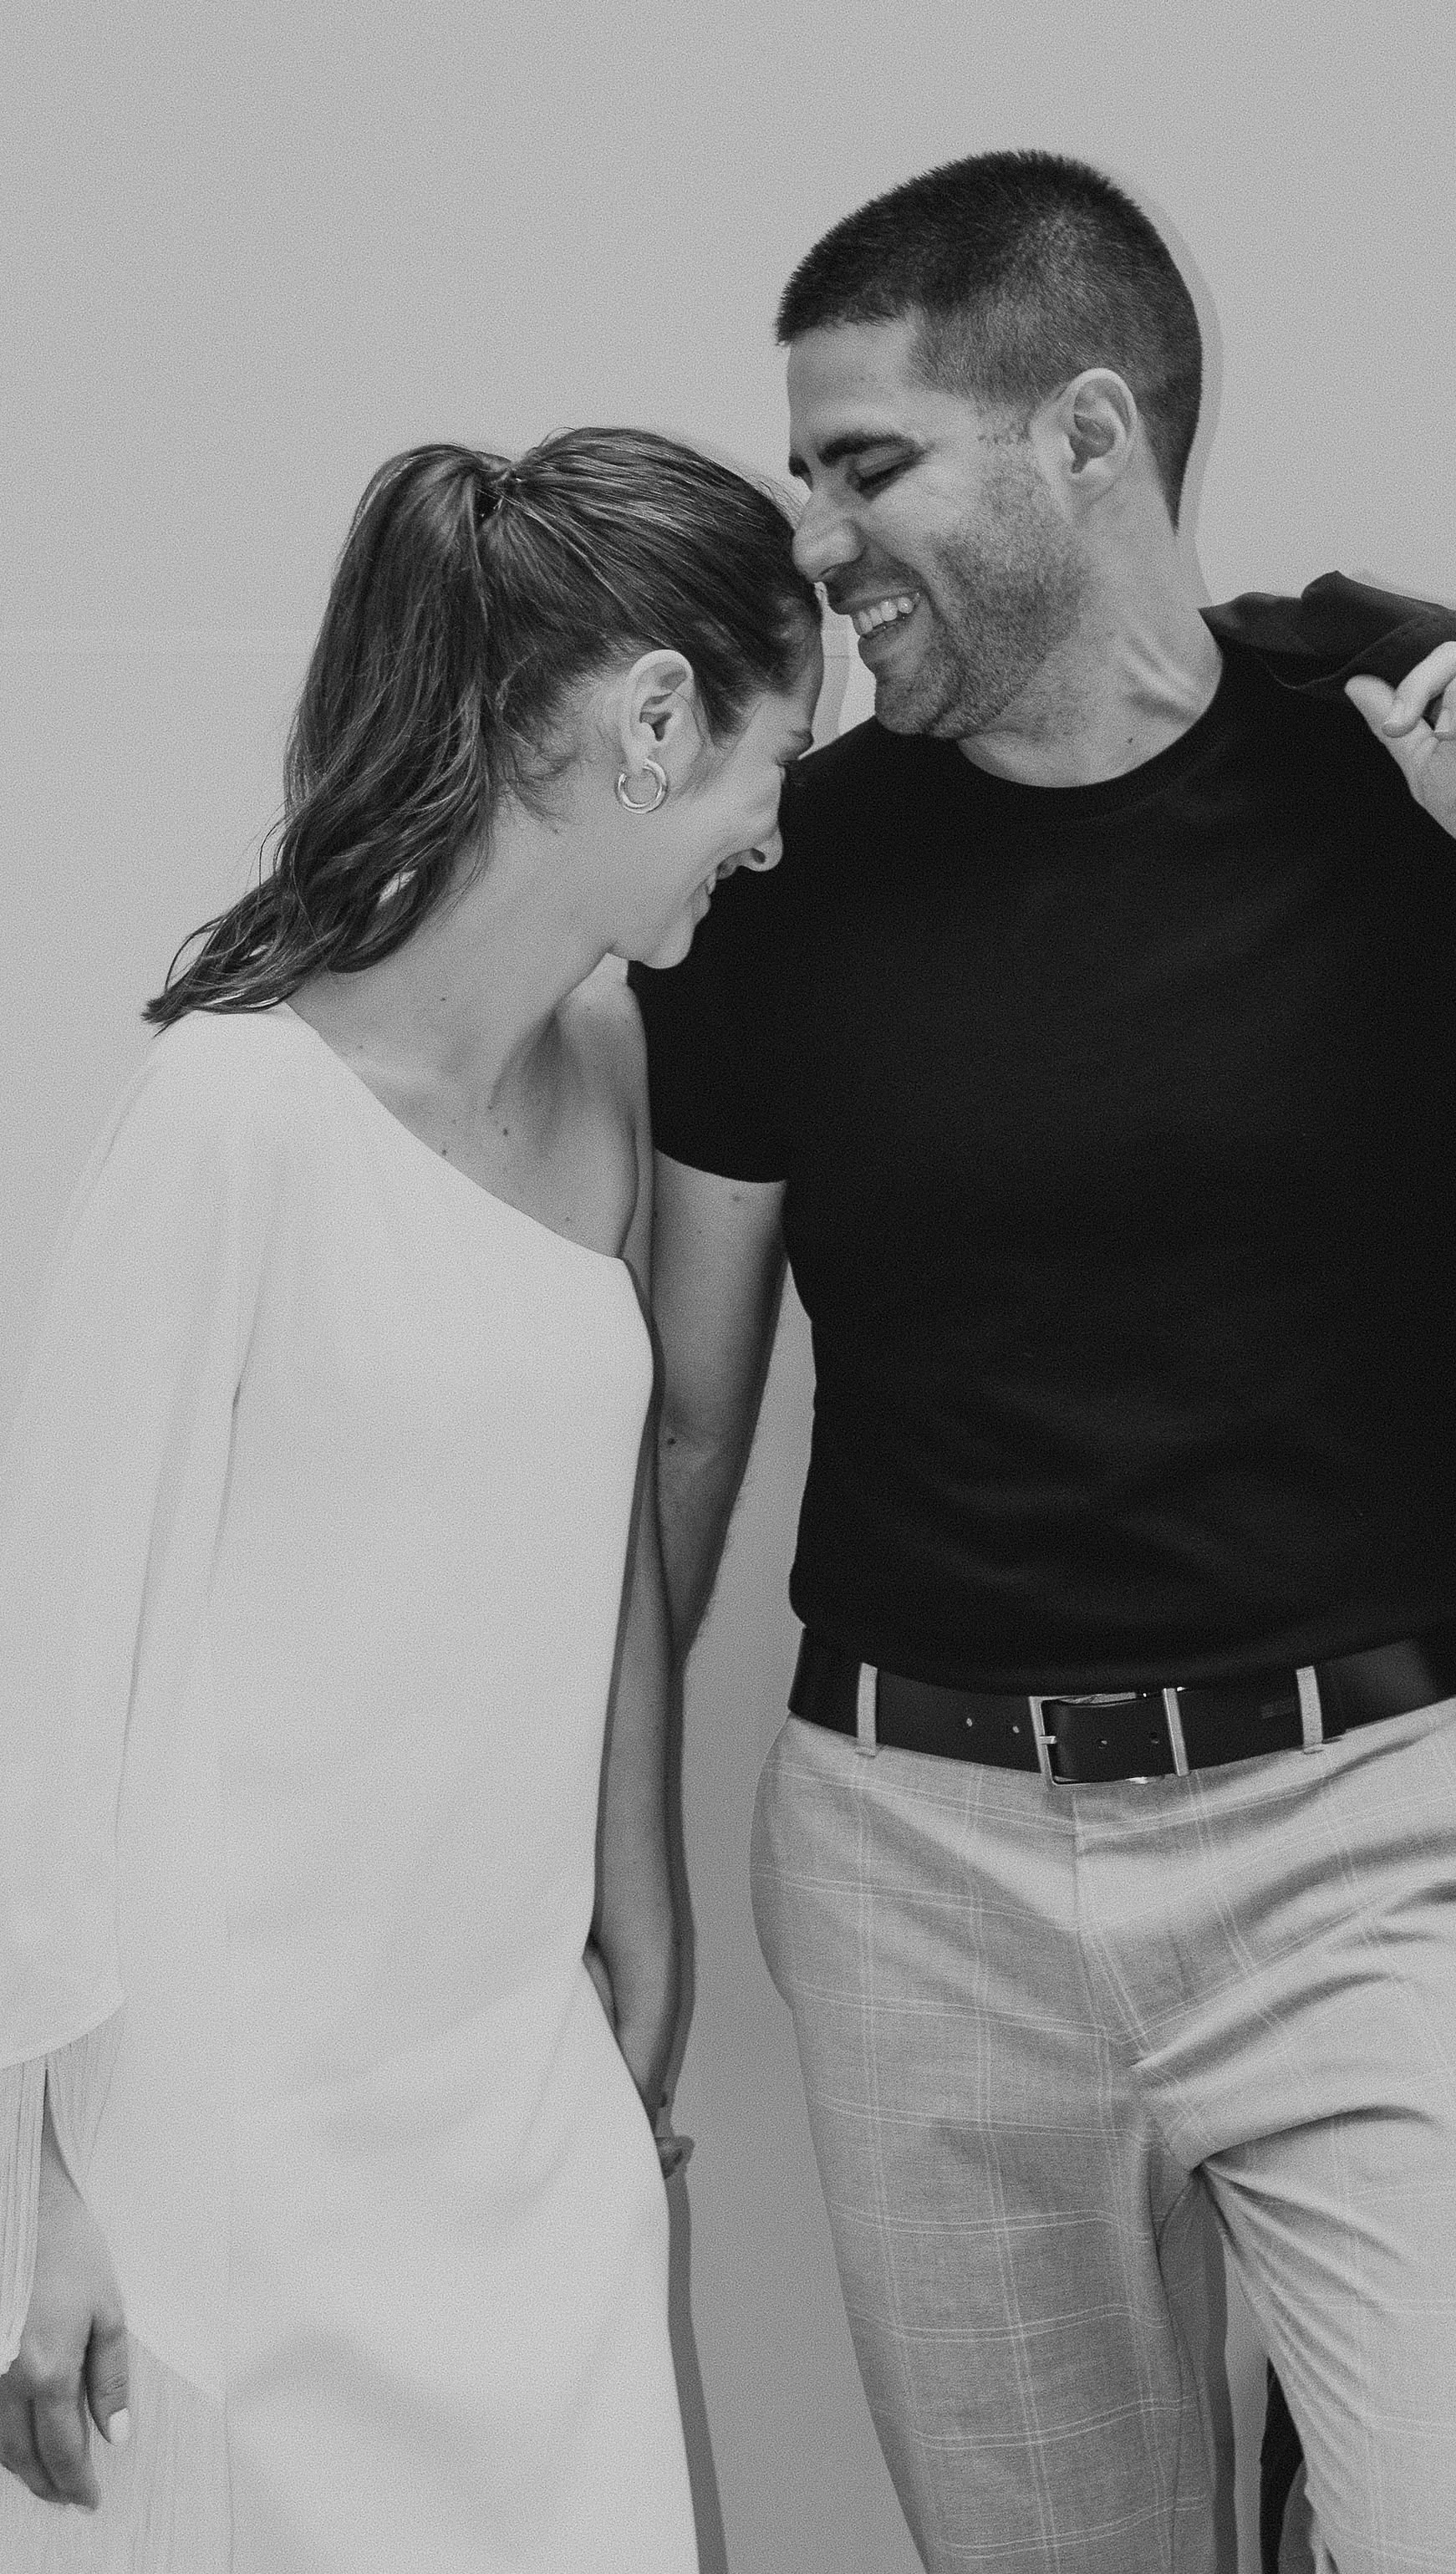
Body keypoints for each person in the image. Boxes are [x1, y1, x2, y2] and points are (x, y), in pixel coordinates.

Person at [631, 151, 1456, 2574]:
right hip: (919, 1867)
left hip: (1372, 1840)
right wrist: (620, 1880)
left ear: (1088, 436)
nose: (812, 537)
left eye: (868, 461)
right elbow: (680, 1425)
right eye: (803, 468)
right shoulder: (780, 882)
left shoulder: (1396, 801)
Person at [0, 427, 821, 2570]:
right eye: (767, 766)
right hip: (232, 2132)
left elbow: (607, 1505)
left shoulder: (617, 1071)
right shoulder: (230, 1117)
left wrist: (637, 1905)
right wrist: (38, 2187)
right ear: (657, 721)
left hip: (510, 2090)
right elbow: (56, 1668)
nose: (769, 834)